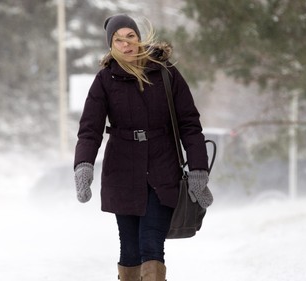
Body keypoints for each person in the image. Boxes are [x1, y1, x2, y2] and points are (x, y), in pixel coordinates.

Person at [74, 14, 213, 281]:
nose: (126, 44)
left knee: (151, 246)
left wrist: (198, 170)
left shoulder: (165, 73)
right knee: (129, 250)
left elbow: (190, 125)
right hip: (121, 172)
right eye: (118, 39)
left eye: (130, 36)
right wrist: (84, 166)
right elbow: (89, 130)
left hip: (162, 170)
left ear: (139, 38)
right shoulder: (105, 80)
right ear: (110, 45)